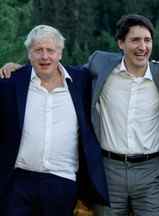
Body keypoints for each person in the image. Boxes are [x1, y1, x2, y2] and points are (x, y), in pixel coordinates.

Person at [0, 14, 159, 216]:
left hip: (151, 172)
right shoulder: (100, 65)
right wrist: (21, 69)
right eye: (135, 40)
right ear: (121, 43)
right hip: (108, 170)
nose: (142, 47)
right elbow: (58, 69)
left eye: (147, 40)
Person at [0, 25, 109, 216]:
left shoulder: (81, 81)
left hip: (62, 181)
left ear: (60, 53)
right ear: (29, 54)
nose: (44, 57)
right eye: (38, 50)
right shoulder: (12, 82)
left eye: (50, 50)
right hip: (19, 180)